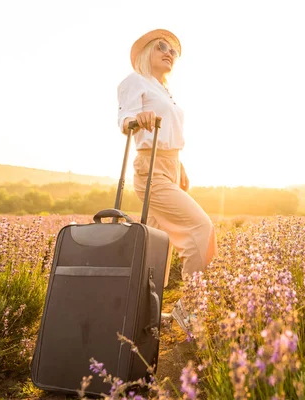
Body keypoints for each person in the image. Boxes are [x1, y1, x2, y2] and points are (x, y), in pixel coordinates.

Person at [116, 29, 217, 331]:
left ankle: (143, 315)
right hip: (151, 170)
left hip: (171, 167)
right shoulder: (135, 81)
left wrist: (180, 166)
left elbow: (171, 134)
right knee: (202, 228)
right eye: (162, 46)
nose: (169, 52)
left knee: (157, 249)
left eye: (173, 49)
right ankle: (190, 309)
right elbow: (124, 119)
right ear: (146, 51)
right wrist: (137, 120)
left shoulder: (163, 89)